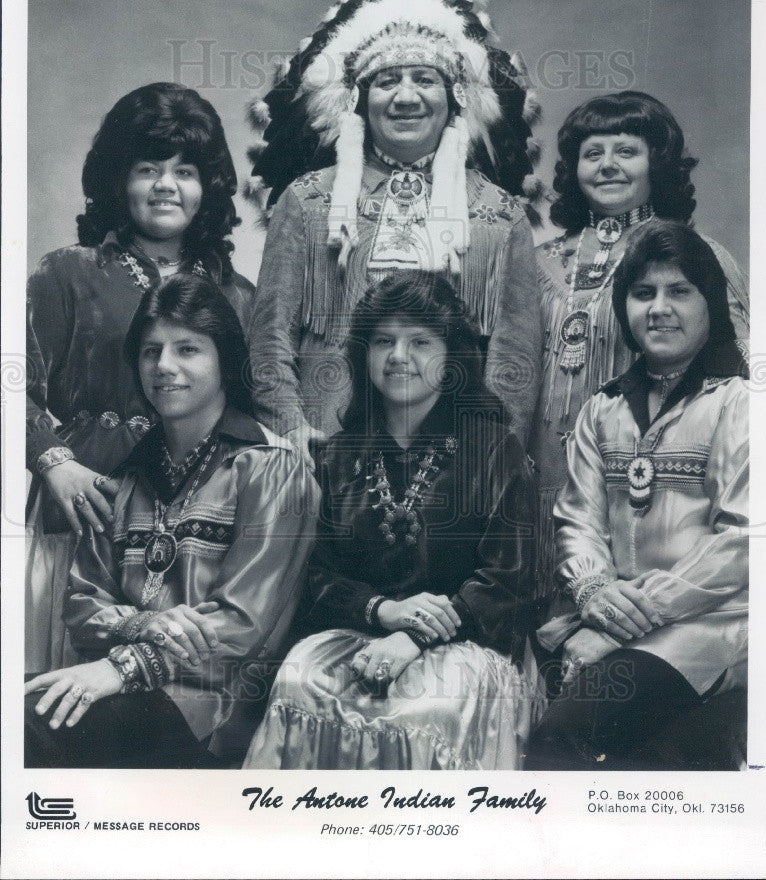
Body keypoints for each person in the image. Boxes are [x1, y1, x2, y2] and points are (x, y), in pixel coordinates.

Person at [246, 0, 544, 460]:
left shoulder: (499, 215)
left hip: (457, 458)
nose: (406, 97)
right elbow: (270, 341)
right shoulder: (308, 202)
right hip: (326, 454)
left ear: (454, 99)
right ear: (359, 103)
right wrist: (295, 437)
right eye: (387, 82)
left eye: (424, 79)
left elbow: (515, 359)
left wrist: (488, 455)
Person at [243, 272, 549, 770]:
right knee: (299, 677)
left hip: (470, 642)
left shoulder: (494, 448)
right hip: (361, 632)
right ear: (364, 354)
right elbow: (309, 574)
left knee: (429, 704)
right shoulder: (337, 456)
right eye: (383, 341)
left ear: (451, 358)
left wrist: (415, 635)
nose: (398, 356)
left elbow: (512, 581)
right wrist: (381, 611)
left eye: (420, 342)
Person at [25, 275, 319, 768]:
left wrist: (125, 664)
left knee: (30, 728)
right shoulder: (128, 475)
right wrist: (150, 622)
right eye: (150, 351)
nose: (164, 367)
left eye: (188, 349)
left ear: (225, 359)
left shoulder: (271, 467)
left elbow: (244, 626)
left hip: (219, 709)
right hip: (119, 688)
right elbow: (81, 608)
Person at [26, 82, 255, 672]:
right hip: (87, 509)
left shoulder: (238, 295)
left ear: (209, 188)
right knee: (60, 693)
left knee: (175, 683)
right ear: (117, 181)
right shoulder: (68, 273)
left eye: (184, 171)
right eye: (147, 168)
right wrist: (55, 462)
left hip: (199, 525)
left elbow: (256, 412)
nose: (164, 186)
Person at [525, 220, 748, 770]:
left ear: (711, 304)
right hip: (608, 615)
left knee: (561, 744)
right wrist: (595, 596)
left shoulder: (742, 402)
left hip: (711, 621)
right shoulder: (603, 409)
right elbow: (576, 521)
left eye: (679, 291)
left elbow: (745, 542)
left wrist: (629, 621)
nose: (658, 308)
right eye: (643, 293)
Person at [531, 90, 749, 568]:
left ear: (658, 163)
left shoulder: (695, 256)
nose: (608, 165)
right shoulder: (538, 261)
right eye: (593, 154)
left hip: (649, 474)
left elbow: (731, 374)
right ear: (574, 168)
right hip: (541, 470)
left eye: (626, 151)